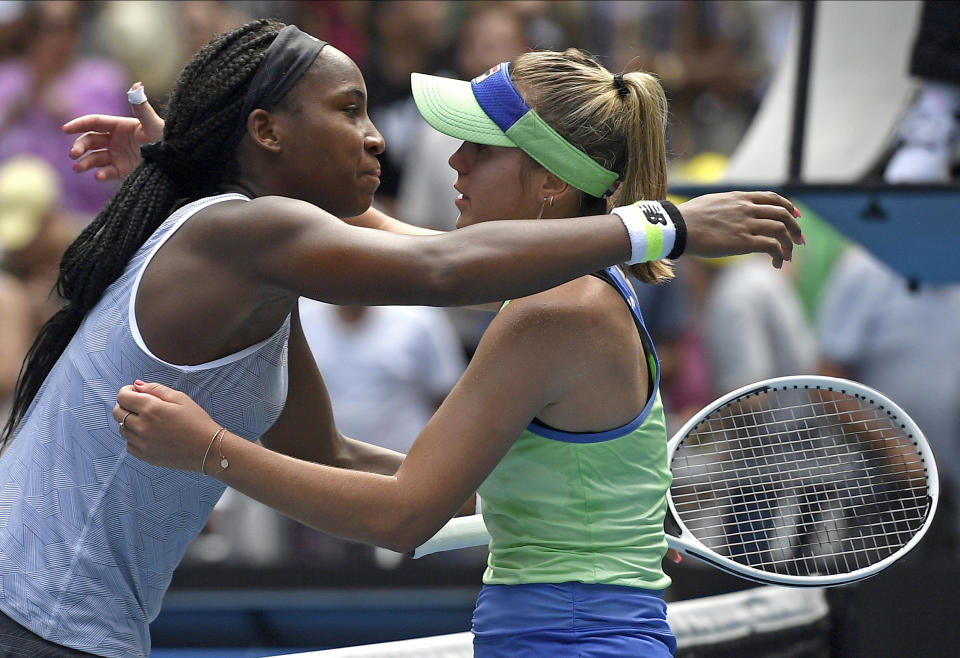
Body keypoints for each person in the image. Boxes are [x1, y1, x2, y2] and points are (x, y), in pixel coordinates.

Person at [3, 19, 801, 657]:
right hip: (42, 620)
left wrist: (208, 447)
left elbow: (401, 494)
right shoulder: (257, 240)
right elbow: (353, 441)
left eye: (477, 149)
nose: (435, 156)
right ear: (266, 131)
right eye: (347, 111)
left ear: (552, 180)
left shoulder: (554, 308)